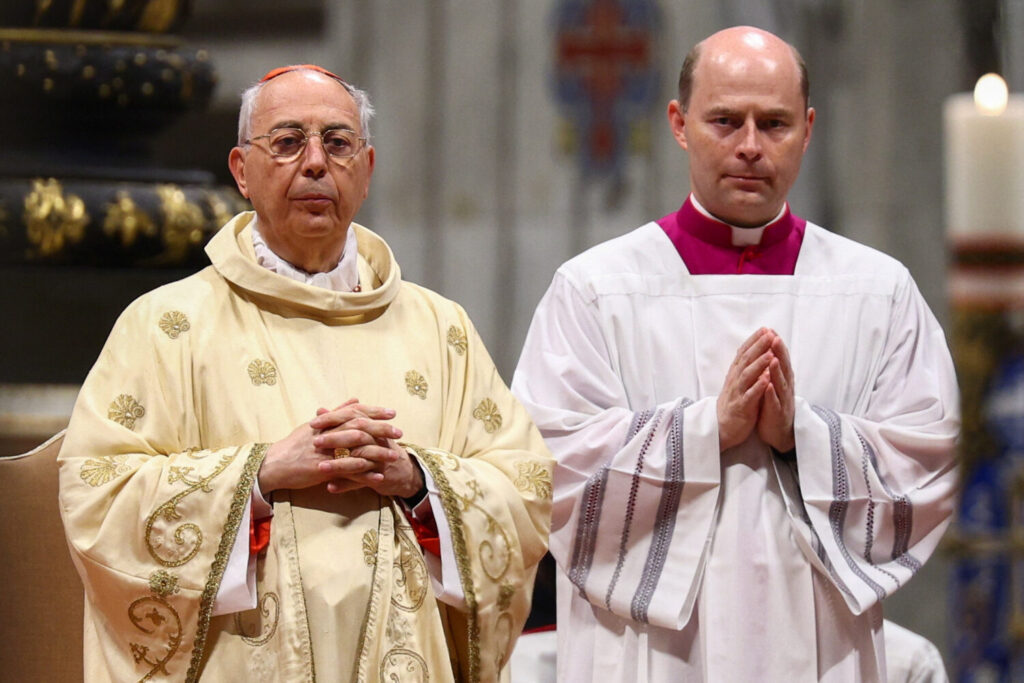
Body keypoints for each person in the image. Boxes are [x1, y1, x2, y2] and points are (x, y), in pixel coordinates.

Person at [58, 64, 552, 683]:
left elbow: (523, 486)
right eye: (288, 142)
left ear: (366, 171)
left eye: (338, 143)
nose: (315, 162)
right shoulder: (167, 324)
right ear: (241, 170)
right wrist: (258, 475)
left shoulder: (440, 327)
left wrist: (421, 480)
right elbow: (97, 495)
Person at [512, 26, 958, 682]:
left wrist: (799, 437)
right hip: (649, 654)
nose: (750, 145)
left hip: (821, 646)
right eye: (725, 120)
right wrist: (703, 431)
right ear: (679, 123)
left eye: (773, 123)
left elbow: (930, 465)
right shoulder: (594, 289)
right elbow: (543, 468)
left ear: (808, 129)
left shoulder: (878, 290)